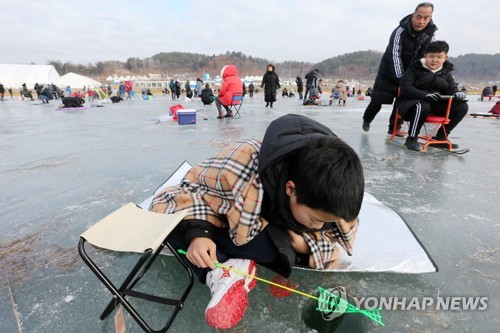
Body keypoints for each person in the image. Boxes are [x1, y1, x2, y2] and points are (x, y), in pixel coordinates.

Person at [149, 113, 364, 329]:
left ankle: (254, 264)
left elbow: (335, 240)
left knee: (276, 251)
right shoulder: (244, 160)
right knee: (168, 225)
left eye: (326, 222)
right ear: (291, 189)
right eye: (315, 219)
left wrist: (306, 247)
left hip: (272, 238)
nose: (318, 226)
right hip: (231, 220)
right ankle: (222, 270)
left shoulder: (338, 189)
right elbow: (188, 191)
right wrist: (199, 234)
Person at [362, 2, 437, 133]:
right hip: (388, 72)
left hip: (410, 73)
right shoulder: (400, 31)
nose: (421, 21)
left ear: (430, 18)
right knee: (377, 100)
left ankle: (393, 129)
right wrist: (401, 77)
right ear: (413, 15)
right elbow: (394, 55)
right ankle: (367, 119)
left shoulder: (431, 33)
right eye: (418, 17)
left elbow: (426, 56)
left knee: (401, 100)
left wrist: (417, 76)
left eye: (426, 18)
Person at [397, 41, 468, 151]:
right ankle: (411, 138)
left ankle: (441, 137)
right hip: (411, 104)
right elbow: (405, 88)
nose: (434, 60)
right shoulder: (414, 68)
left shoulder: (446, 73)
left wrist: (457, 93)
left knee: (462, 106)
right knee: (422, 106)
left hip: (435, 105)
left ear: (445, 58)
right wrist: (425, 95)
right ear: (425, 56)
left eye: (439, 57)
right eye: (431, 56)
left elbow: (451, 89)